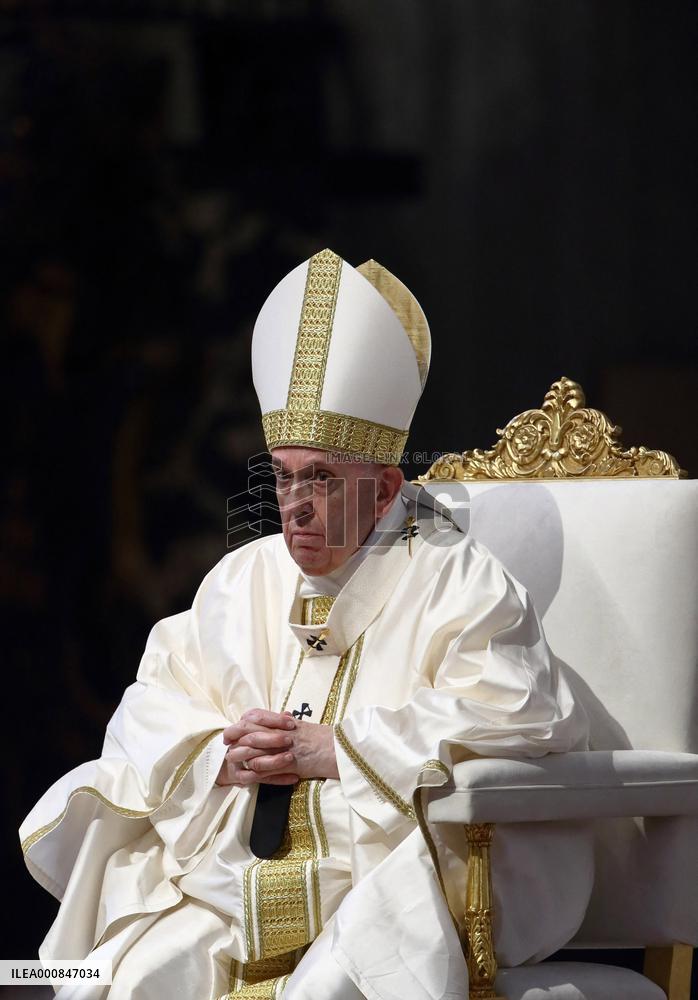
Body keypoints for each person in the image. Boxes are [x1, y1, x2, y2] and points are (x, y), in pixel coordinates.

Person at [20, 249, 590, 1000]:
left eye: (320, 478)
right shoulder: (243, 579)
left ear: (387, 488)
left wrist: (336, 748)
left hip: (390, 880)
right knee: (132, 978)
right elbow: (155, 702)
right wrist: (216, 754)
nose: (294, 505)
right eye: (283, 476)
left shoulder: (461, 581)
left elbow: (520, 711)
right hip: (232, 882)